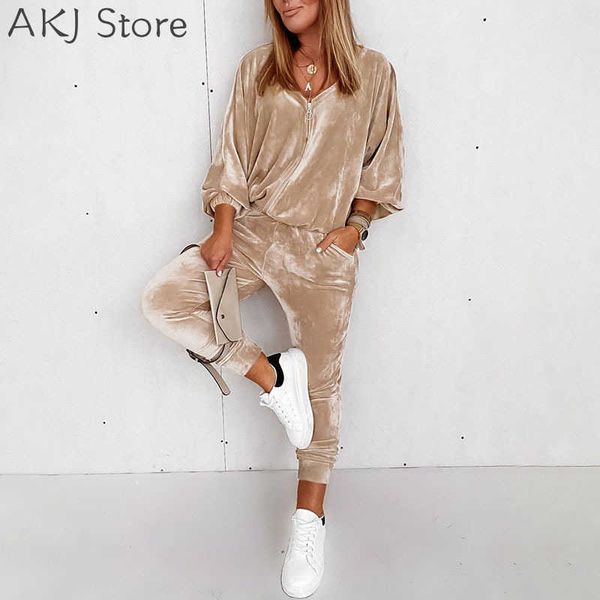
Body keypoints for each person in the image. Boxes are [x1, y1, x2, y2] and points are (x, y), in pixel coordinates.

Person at [140, 0, 404, 596]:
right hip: (255, 232)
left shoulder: (373, 71)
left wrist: (354, 230)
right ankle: (272, 374)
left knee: (323, 388)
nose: (285, 1)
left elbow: (381, 167)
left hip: (323, 248)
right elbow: (232, 158)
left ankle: (310, 520)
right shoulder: (257, 68)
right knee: (165, 299)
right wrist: (223, 228)